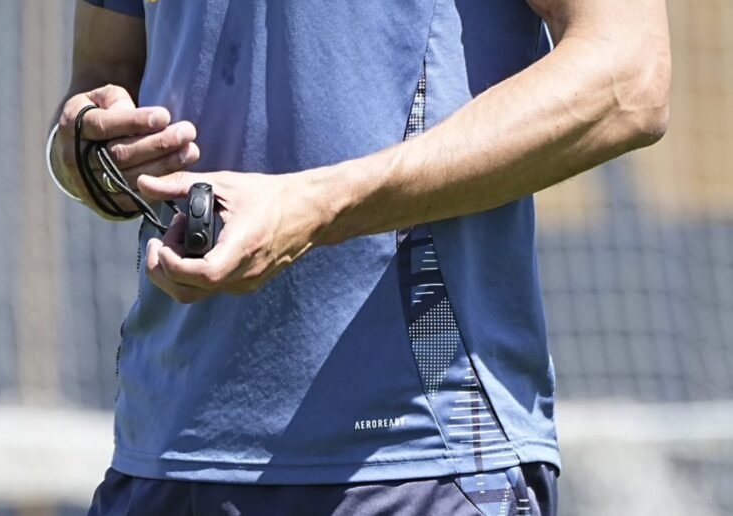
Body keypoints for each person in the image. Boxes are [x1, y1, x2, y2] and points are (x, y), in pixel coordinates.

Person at [47, 0, 670, 514]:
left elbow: (629, 77)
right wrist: (88, 150)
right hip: (163, 457)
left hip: (423, 461)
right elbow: (100, 77)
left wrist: (319, 207)